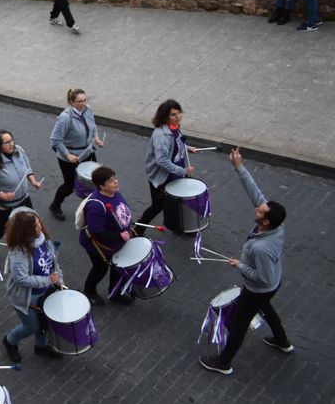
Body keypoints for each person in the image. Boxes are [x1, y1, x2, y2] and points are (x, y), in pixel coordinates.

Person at [199, 148, 292, 374]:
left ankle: (223, 362)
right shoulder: (275, 225)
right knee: (266, 307)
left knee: (240, 324)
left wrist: (240, 265)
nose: (256, 209)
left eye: (260, 212)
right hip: (271, 285)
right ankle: (282, 340)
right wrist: (239, 166)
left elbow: (262, 277)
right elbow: (254, 191)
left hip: (258, 288)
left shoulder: (262, 248)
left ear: (266, 221)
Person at [2, 209, 65, 363]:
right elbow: (21, 279)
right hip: (28, 297)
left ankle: (41, 346)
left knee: (45, 322)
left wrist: (59, 281)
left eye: (39, 224)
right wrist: (48, 280)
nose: (40, 228)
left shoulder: (45, 240)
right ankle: (10, 341)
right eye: (35, 226)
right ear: (25, 231)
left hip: (46, 291)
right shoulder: (19, 253)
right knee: (31, 327)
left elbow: (54, 264)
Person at [136, 99, 196, 235]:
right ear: (165, 117)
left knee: (177, 201)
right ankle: (139, 228)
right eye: (173, 115)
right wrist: (183, 170)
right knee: (158, 206)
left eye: (179, 113)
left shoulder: (174, 127)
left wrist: (187, 148)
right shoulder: (161, 135)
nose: (178, 117)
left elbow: (176, 144)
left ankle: (178, 226)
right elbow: (162, 160)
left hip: (174, 172)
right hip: (163, 176)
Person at [78, 165, 134, 306]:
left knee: (118, 266)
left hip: (118, 240)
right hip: (98, 245)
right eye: (110, 181)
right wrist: (119, 237)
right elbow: (97, 231)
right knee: (100, 269)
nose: (115, 182)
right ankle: (89, 291)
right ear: (101, 186)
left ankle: (115, 292)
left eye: (115, 178)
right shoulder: (96, 205)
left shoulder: (115, 192)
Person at [48, 88, 105, 220]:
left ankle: (92, 208)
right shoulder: (65, 118)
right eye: (80, 101)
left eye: (85, 100)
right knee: (69, 186)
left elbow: (93, 126)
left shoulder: (88, 109)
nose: (83, 103)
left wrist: (96, 138)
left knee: (94, 181)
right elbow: (55, 140)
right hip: (70, 157)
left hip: (88, 152)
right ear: (71, 102)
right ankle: (55, 205)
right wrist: (68, 155)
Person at [0, 130, 43, 241]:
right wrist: (2, 195)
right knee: (0, 230)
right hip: (4, 206)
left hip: (24, 199)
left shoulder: (19, 150)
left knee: (31, 223)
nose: (11, 144)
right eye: (7, 142)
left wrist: (33, 180)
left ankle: (29, 247)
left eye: (11, 140)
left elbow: (26, 166)